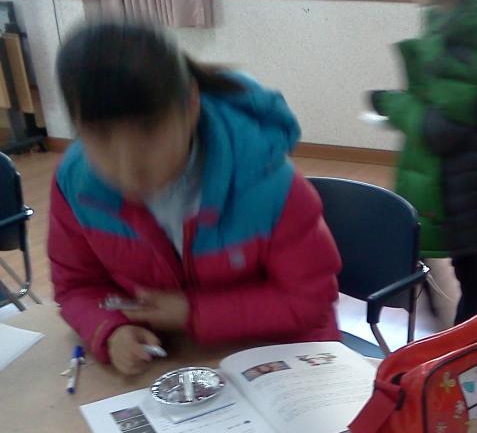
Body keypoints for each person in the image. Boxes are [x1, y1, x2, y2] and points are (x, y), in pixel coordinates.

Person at [49, 20, 341, 376]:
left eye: (148, 130)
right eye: (100, 136)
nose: (127, 166)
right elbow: (76, 286)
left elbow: (310, 300)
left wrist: (193, 312)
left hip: (283, 363)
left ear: (190, 104)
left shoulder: (268, 184)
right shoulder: (75, 185)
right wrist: (110, 330)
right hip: (173, 364)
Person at [369, 0, 477, 325]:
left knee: (457, 259)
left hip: (462, 184)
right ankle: (458, 330)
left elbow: (440, 129)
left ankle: (466, 337)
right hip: (462, 176)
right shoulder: (455, 26)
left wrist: (392, 104)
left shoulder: (460, 46)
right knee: (461, 259)